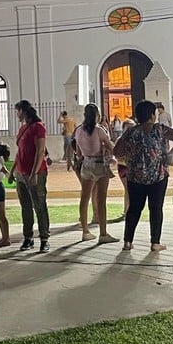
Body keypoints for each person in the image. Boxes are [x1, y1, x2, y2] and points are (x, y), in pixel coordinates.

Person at [113, 100, 173, 252]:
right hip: (157, 176)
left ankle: (127, 241)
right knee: (156, 208)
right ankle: (155, 242)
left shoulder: (130, 132)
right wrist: (170, 154)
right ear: (152, 115)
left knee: (134, 208)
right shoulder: (160, 129)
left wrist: (131, 155)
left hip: (135, 177)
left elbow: (116, 152)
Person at [8, 100, 51, 253]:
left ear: (23, 111)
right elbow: (19, 152)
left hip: (36, 172)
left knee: (39, 205)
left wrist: (34, 173)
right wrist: (13, 171)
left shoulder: (38, 127)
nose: (17, 114)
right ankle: (28, 237)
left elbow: (40, 151)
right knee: (25, 207)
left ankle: (44, 238)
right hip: (21, 172)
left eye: (18, 111)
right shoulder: (22, 129)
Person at [73, 103, 118, 243]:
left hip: (86, 164)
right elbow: (111, 147)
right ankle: (103, 234)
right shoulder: (99, 130)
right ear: (97, 115)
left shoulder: (79, 130)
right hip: (99, 164)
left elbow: (79, 153)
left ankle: (85, 231)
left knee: (84, 198)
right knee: (101, 199)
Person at [116, 119, 136, 219]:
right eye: (128, 127)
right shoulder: (121, 140)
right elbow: (117, 155)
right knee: (128, 189)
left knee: (132, 189)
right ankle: (126, 211)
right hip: (123, 166)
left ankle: (129, 210)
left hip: (134, 167)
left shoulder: (137, 139)